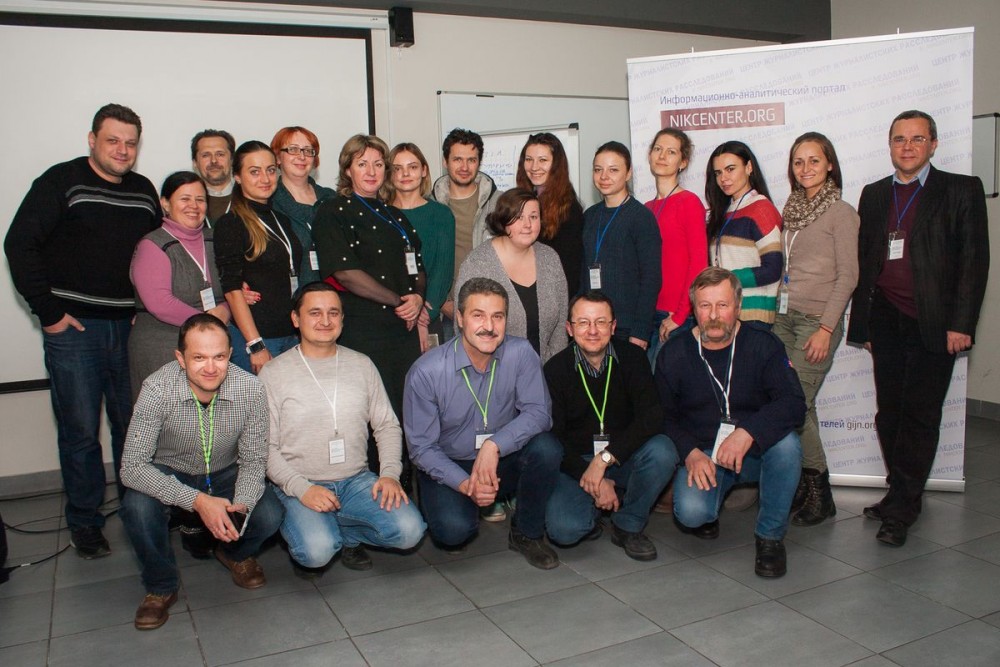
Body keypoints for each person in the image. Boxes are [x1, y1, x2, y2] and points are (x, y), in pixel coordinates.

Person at [5, 103, 160, 558]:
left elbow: (154, 256)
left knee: (134, 429)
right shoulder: (62, 180)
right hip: (75, 331)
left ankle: (138, 514)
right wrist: (48, 312)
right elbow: (19, 243)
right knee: (79, 434)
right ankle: (86, 523)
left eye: (130, 143)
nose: (122, 150)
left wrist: (145, 307)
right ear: (92, 140)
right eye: (113, 140)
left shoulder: (144, 191)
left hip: (129, 329)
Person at [847, 110, 990, 547]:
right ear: (889, 145)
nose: (907, 147)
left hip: (935, 323)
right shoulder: (874, 194)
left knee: (920, 415)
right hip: (886, 318)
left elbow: (974, 262)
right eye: (899, 139)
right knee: (889, 413)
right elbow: (867, 261)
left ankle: (902, 508)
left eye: (917, 139)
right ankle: (901, 491)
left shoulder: (961, 189)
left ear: (933, 144)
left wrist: (961, 324)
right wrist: (863, 325)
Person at [119, 314, 284, 630]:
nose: (210, 367)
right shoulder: (157, 388)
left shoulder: (250, 388)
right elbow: (133, 467)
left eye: (219, 357)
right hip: (171, 472)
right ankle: (161, 586)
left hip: (224, 471)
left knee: (270, 513)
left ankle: (233, 552)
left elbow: (253, 460)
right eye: (199, 358)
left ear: (230, 355)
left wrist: (240, 508)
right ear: (180, 358)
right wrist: (197, 501)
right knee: (137, 507)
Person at [261, 283, 425, 574]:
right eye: (315, 313)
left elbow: (387, 425)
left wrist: (389, 474)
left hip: (355, 480)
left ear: (342, 319)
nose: (325, 321)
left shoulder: (362, 365)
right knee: (317, 551)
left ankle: (345, 532)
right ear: (296, 319)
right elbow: (265, 447)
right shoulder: (273, 373)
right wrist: (303, 489)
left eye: (333, 313)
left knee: (410, 530)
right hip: (299, 483)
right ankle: (316, 527)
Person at [403, 278, 561, 569]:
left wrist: (494, 445)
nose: (489, 326)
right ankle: (451, 503)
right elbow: (422, 448)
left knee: (547, 448)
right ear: (460, 318)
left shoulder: (520, 353)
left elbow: (539, 412)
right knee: (453, 532)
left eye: (497, 316)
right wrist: (465, 484)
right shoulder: (427, 371)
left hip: (501, 458)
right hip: (452, 463)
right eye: (478, 315)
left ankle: (526, 533)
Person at [656, 267, 804, 578]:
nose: (713, 315)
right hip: (704, 455)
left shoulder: (764, 345)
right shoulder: (674, 352)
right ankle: (711, 507)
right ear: (694, 309)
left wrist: (749, 432)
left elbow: (793, 403)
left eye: (722, 305)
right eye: (705, 305)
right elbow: (662, 416)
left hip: (753, 451)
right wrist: (689, 452)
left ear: (738, 306)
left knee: (788, 445)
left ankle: (770, 537)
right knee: (692, 513)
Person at [543, 290, 677, 560]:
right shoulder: (555, 370)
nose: (592, 330)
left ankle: (628, 524)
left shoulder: (633, 358)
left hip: (622, 456)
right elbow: (554, 437)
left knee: (663, 450)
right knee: (564, 531)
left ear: (613, 326)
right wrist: (593, 476)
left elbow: (651, 416)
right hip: (576, 464)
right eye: (583, 322)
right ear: (569, 328)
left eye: (601, 322)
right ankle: (596, 505)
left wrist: (604, 459)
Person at [774, 132, 859, 527]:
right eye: (798, 161)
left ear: (829, 164)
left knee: (795, 404)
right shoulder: (791, 209)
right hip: (783, 318)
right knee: (798, 404)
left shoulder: (841, 213)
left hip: (815, 322)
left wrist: (826, 328)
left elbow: (848, 276)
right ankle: (802, 485)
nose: (805, 168)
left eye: (813, 160)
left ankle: (820, 491)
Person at [312, 134, 425, 428]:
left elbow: (416, 265)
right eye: (362, 164)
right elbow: (345, 273)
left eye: (378, 164)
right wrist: (400, 302)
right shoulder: (333, 211)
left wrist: (418, 298)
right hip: (363, 330)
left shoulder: (395, 215)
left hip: (404, 328)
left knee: (407, 412)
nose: (372, 171)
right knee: (370, 414)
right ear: (348, 169)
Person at [129, 171, 230, 401]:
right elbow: (160, 303)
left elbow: (233, 286)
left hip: (212, 350)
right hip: (163, 346)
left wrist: (226, 310)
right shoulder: (152, 244)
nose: (193, 206)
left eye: (200, 199)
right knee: (168, 416)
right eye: (185, 199)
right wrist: (208, 323)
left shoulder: (216, 239)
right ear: (165, 203)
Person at [214, 140, 302, 374]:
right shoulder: (231, 223)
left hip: (291, 335)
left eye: (270, 170)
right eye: (254, 171)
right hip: (258, 339)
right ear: (237, 176)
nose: (265, 178)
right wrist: (255, 344)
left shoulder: (281, 219)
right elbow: (232, 290)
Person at [455, 188, 568, 363]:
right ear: (503, 219)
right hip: (493, 372)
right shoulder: (477, 264)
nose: (527, 224)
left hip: (545, 371)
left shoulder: (550, 258)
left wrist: (554, 367)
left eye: (533, 217)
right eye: (519, 217)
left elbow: (560, 326)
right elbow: (463, 329)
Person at [581, 141, 661, 350]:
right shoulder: (590, 216)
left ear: (628, 173)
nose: (604, 176)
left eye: (613, 170)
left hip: (627, 327)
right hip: (591, 325)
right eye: (598, 170)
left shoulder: (642, 218)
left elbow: (651, 278)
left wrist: (640, 331)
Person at [430, 128, 502, 335]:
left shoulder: (499, 203)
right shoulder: (430, 206)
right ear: (445, 161)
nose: (464, 167)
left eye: (471, 160)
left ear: (479, 162)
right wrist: (442, 302)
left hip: (492, 311)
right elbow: (424, 261)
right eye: (457, 159)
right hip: (448, 312)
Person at [645, 128, 707, 364]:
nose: (662, 156)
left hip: (675, 315)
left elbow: (698, 263)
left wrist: (680, 315)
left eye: (671, 152)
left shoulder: (689, 203)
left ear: (683, 162)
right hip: (649, 313)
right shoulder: (646, 208)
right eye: (657, 149)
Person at [386, 142, 456, 351]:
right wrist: (404, 311)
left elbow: (442, 271)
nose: (405, 174)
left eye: (413, 167)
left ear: (424, 170)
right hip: (389, 316)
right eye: (397, 168)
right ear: (389, 174)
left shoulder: (441, 214)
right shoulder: (380, 214)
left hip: (429, 316)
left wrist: (424, 317)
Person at [704, 140, 783, 326]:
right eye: (718, 173)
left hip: (753, 315)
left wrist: (724, 279)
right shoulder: (724, 211)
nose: (723, 178)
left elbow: (772, 269)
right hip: (726, 314)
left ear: (748, 167)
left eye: (730, 169)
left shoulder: (761, 208)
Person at [515, 132, 585, 295]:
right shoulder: (525, 200)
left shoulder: (568, 209)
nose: (534, 167)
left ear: (556, 165)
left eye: (543, 160)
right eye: (529, 159)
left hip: (553, 298)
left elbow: (569, 272)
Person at [270, 126, 336, 285]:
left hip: (336, 292)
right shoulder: (269, 202)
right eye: (293, 150)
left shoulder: (331, 198)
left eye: (308, 150)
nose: (302, 156)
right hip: (291, 292)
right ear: (278, 158)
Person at [191, 129, 236, 225]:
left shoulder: (250, 197)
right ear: (195, 163)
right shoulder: (187, 204)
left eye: (220, 154)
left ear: (232, 159)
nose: (214, 161)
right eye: (205, 155)